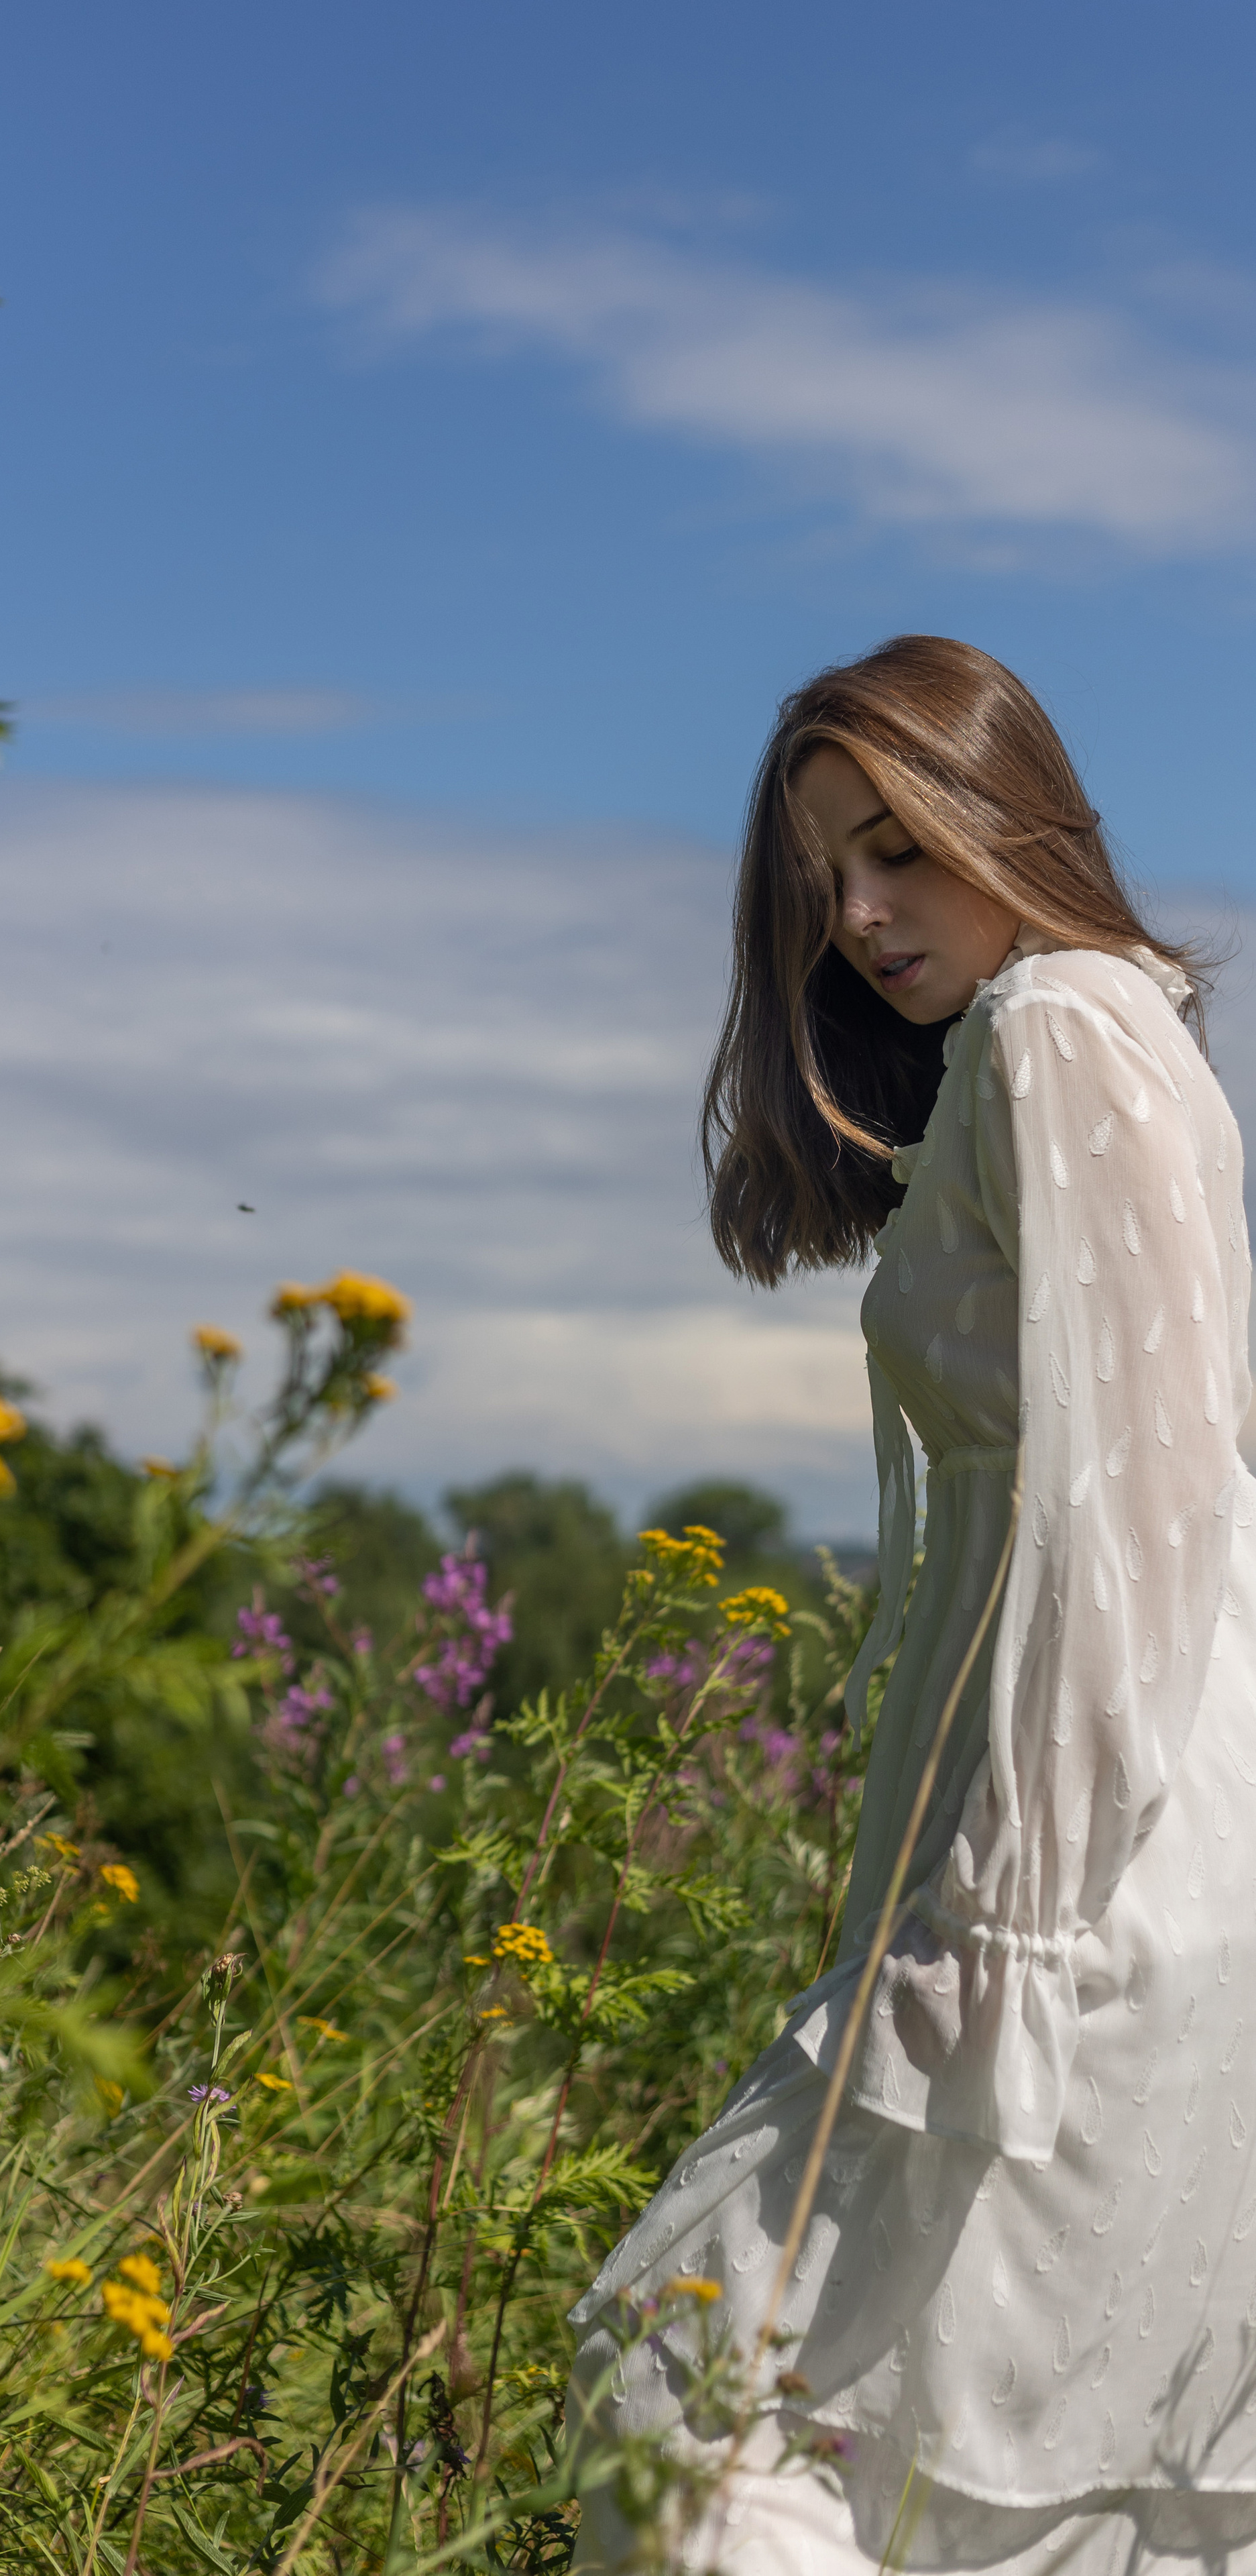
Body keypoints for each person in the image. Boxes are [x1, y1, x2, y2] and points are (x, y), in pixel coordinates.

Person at [567, 636, 1256, 2574]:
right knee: (982, 2493)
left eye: (898, 850)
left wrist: (1013, 1924)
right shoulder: (1093, 1035)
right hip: (1105, 1846)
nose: (861, 916)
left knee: (680, 2393)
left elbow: (1142, 1508)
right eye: (824, 884)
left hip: (1095, 1878)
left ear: (1007, 814)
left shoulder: (1062, 1027)